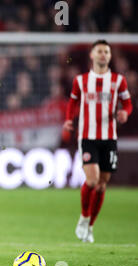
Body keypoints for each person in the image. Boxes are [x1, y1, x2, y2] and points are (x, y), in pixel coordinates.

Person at [63, 40, 132, 243]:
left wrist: (124, 113)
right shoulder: (81, 81)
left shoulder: (119, 81)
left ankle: (90, 226)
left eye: (106, 51)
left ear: (110, 56)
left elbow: (127, 104)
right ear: (92, 55)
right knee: (92, 181)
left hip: (109, 138)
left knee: (102, 185)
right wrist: (69, 119)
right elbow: (73, 102)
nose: (103, 54)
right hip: (87, 137)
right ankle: (84, 218)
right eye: (99, 51)